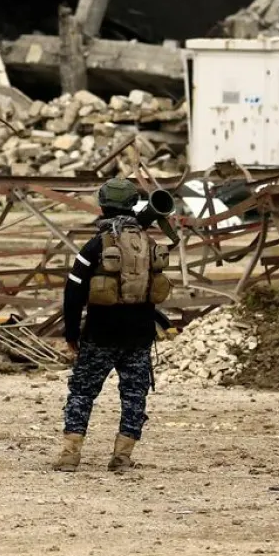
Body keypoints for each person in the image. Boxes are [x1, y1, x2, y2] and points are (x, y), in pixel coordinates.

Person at [52, 177, 172, 473]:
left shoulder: (96, 245)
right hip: (139, 336)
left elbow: (73, 293)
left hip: (100, 335)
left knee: (82, 393)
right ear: (133, 205)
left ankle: (69, 456)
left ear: (103, 206)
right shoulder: (148, 243)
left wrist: (71, 334)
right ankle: (122, 457)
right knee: (134, 396)